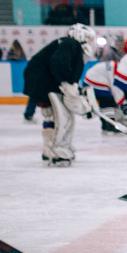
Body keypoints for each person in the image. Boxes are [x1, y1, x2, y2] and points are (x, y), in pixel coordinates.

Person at [22, 24, 96, 165]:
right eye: (88, 38)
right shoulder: (71, 44)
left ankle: (49, 149)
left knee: (50, 115)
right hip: (45, 82)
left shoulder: (64, 43)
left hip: (39, 81)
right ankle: (60, 151)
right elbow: (59, 63)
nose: (89, 41)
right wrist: (68, 84)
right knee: (62, 115)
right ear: (79, 35)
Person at [83, 59, 126, 136]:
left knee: (104, 105)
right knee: (108, 103)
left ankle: (105, 126)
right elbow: (115, 88)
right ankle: (110, 127)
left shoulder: (117, 66)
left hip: (90, 80)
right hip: (94, 81)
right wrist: (122, 103)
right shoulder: (118, 69)